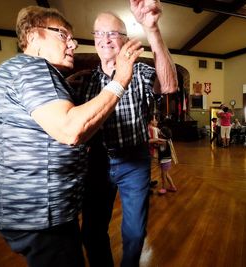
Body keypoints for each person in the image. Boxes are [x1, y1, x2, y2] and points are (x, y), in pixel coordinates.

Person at [0, 6, 142, 267]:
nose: (73, 43)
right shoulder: (33, 69)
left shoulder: (20, 69)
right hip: (37, 211)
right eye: (63, 35)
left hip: (30, 208)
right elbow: (70, 130)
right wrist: (122, 77)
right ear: (33, 36)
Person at [78, 1, 178, 266]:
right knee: (91, 231)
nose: (105, 39)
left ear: (124, 39)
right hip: (97, 162)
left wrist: (152, 29)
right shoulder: (86, 81)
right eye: (99, 33)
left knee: (134, 233)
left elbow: (168, 85)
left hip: (134, 161)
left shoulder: (140, 71)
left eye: (112, 33)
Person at [156, 126, 177, 194]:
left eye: (160, 132)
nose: (158, 133)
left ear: (162, 135)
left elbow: (154, 142)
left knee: (163, 175)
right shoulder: (167, 141)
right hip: (166, 161)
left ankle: (164, 188)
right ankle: (172, 187)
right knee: (167, 174)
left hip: (165, 161)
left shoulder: (164, 142)